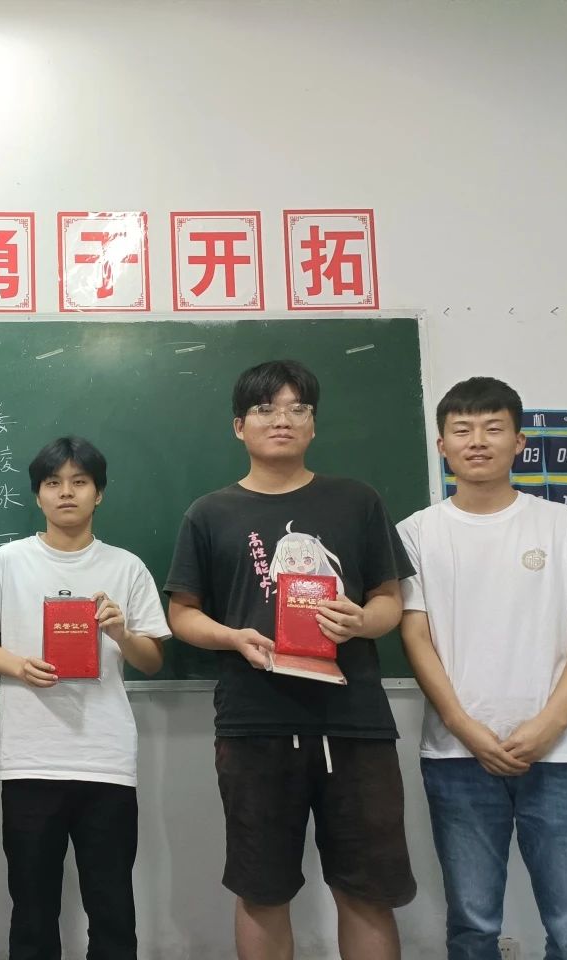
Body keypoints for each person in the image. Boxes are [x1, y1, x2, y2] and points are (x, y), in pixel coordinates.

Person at [165, 360, 416, 960]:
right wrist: (233, 637)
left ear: (313, 423)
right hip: (256, 722)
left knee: (367, 889)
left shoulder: (357, 501)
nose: (282, 419)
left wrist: (362, 621)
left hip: (353, 721)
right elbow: (182, 614)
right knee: (261, 889)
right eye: (265, 409)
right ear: (239, 426)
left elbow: (389, 600)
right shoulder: (209, 512)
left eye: (297, 408)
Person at [398, 377, 567, 960]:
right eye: (462, 430)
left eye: (494, 428)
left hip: (562, 753)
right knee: (472, 926)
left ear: (519, 441)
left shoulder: (566, 526)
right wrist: (463, 726)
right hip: (457, 755)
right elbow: (415, 634)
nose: (478, 441)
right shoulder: (416, 533)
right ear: (442, 444)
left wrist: (549, 726)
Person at [0, 436, 169, 960]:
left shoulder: (127, 566)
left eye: (80, 482)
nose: (66, 493)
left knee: (113, 909)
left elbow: (152, 660)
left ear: (99, 493)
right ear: (38, 495)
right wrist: (19, 666)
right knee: (32, 912)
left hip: (107, 762)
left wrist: (121, 633)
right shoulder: (7, 562)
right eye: (53, 483)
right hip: (30, 762)